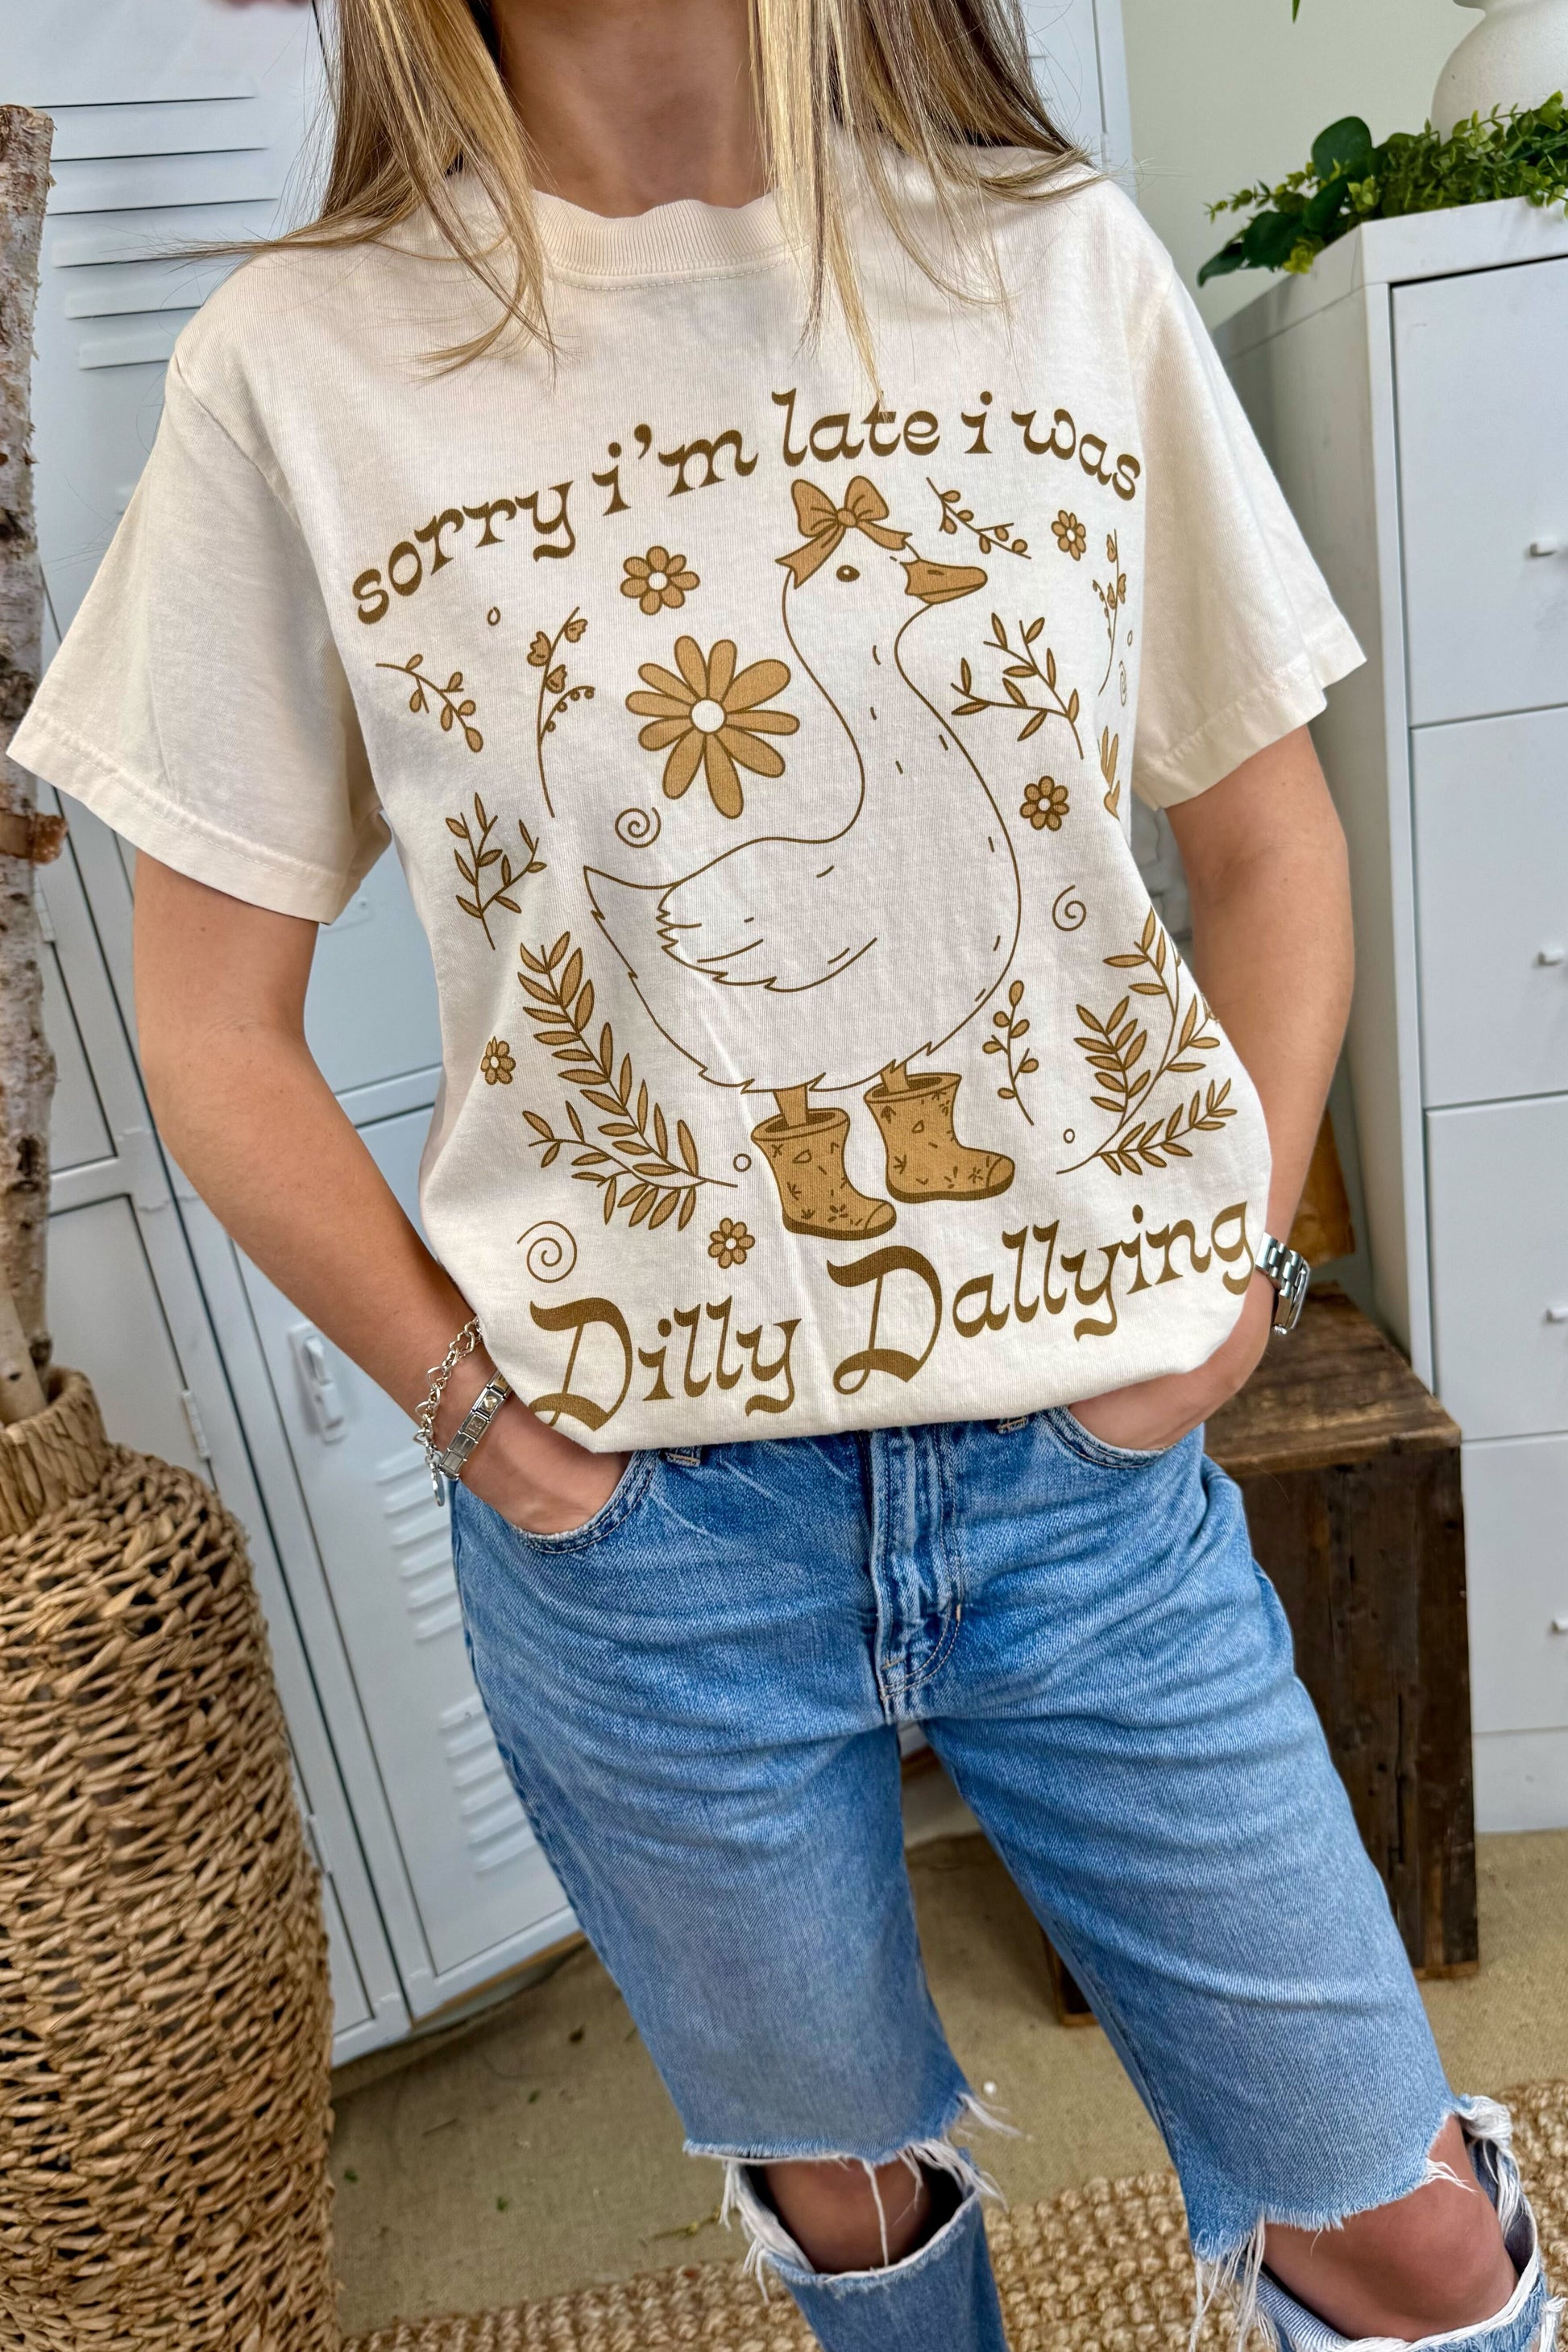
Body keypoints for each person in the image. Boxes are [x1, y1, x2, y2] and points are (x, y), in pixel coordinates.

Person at [14, 4, 1549, 2346]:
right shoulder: (299, 366)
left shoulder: (1053, 264)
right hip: (650, 1558)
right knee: (850, 2205)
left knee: (1401, 2225)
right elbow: (210, 1030)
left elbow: (1268, 844)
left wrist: (1236, 1265)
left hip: (1084, 1500)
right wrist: (493, 1434)